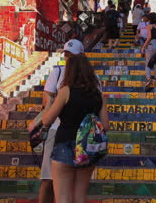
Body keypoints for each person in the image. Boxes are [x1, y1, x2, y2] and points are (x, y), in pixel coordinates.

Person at [42, 54, 108, 203]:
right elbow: (106, 126)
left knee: (63, 198)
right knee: (80, 197)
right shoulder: (98, 95)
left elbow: (47, 121)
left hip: (64, 145)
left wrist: (48, 104)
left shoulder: (66, 91)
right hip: (87, 149)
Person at [29, 39, 85, 203]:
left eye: (72, 56)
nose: (68, 59)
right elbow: (46, 97)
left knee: (74, 181)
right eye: (66, 55)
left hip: (81, 133)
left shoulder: (91, 77)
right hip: (55, 129)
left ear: (81, 57)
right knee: (48, 179)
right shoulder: (58, 72)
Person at [141, 12, 156, 92]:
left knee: (148, 63)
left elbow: (149, 37)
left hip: (151, 45)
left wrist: (143, 46)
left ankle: (149, 78)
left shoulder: (149, 26)